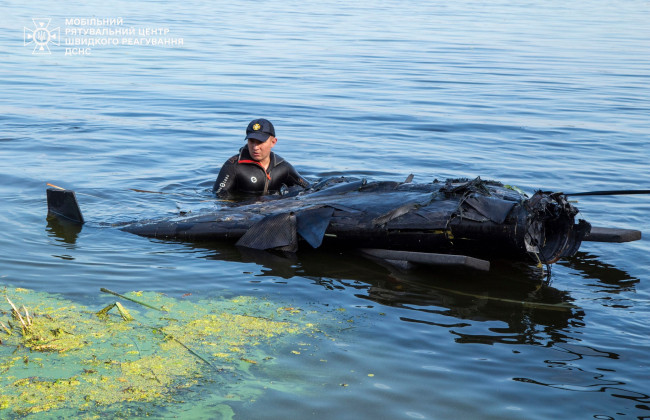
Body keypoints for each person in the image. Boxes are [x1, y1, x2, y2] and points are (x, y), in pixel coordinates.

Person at [212, 118, 310, 198]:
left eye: (260, 142)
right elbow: (219, 196)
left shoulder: (283, 167)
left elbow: (308, 188)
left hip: (274, 210)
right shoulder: (233, 166)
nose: (255, 147)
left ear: (273, 142)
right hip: (244, 213)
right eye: (251, 141)